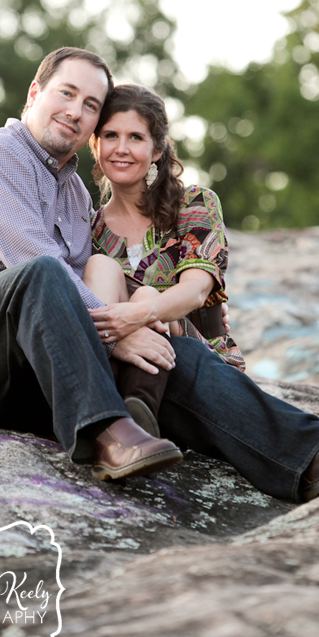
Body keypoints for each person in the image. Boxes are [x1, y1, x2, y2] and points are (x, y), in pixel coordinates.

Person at [0, 46, 319, 501]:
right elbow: (33, 262)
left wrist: (138, 327)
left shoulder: (76, 197)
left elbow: (88, 288)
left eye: (91, 105)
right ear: (35, 92)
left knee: (176, 353)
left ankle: (313, 453)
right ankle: (109, 435)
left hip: (26, 371)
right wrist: (120, 332)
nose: (76, 111)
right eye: (66, 93)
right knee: (44, 273)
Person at [82, 84, 245, 438]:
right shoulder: (87, 227)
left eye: (136, 137)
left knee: (144, 297)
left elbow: (195, 293)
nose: (121, 149)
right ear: (95, 145)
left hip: (198, 368)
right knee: (100, 268)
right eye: (110, 135)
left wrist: (136, 312)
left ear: (157, 149)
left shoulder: (195, 203)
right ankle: (123, 415)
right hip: (118, 362)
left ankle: (132, 417)